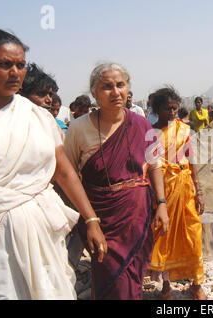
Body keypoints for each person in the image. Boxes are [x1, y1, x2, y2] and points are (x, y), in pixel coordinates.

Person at [0, 28, 107, 300]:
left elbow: (64, 171)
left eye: (20, 65)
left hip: (37, 234)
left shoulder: (37, 117)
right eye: (4, 65)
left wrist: (91, 218)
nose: (15, 72)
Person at [63, 62, 169, 300]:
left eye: (120, 85)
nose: (115, 92)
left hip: (137, 214)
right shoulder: (78, 129)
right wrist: (88, 219)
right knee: (110, 276)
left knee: (132, 277)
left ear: (128, 88)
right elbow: (68, 176)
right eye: (106, 87)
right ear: (94, 93)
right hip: (100, 218)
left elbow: (154, 165)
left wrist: (161, 203)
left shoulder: (142, 124)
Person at [148, 87, 206, 300]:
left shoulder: (183, 129)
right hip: (163, 189)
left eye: (175, 108)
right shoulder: (150, 132)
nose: (172, 112)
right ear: (157, 109)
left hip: (184, 187)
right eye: (167, 109)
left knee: (193, 232)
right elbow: (149, 166)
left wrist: (199, 191)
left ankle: (197, 283)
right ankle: (166, 286)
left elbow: (191, 159)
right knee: (165, 235)